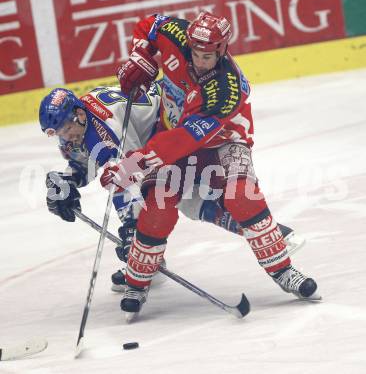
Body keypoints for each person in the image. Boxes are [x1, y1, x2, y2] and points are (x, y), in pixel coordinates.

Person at [101, 12, 320, 319]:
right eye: (196, 54)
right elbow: (148, 24)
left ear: (221, 49)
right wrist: (141, 55)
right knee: (158, 208)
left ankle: (284, 271)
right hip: (172, 135)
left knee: (241, 196)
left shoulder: (225, 88)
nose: (201, 61)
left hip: (223, 141)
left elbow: (186, 138)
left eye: (208, 56)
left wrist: (136, 162)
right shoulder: (176, 32)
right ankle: (137, 282)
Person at [39, 82, 304, 295]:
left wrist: (132, 231)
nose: (66, 136)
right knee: (182, 198)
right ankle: (266, 232)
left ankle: (261, 233)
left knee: (183, 197)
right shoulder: (80, 127)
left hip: (167, 126)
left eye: (67, 128)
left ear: (80, 113)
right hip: (150, 134)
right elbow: (87, 161)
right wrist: (67, 181)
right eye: (58, 133)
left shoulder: (106, 126)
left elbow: (125, 177)